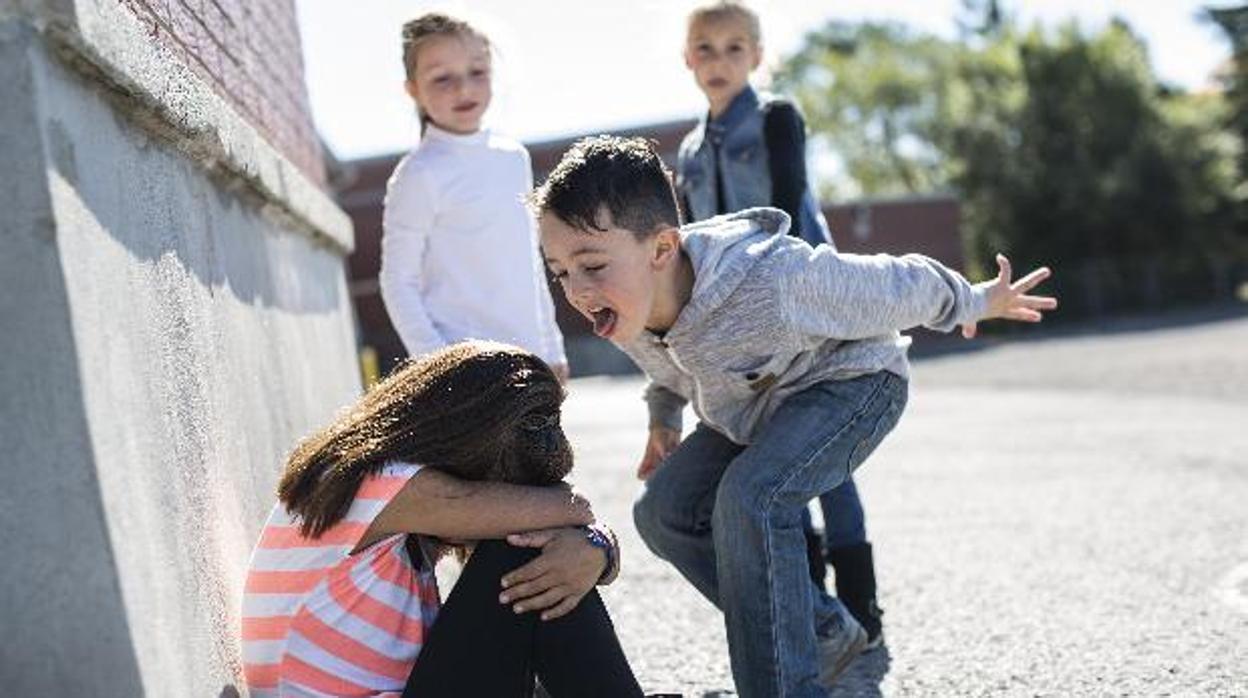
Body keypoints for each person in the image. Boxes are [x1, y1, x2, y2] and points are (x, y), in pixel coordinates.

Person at [532, 136, 1056, 697]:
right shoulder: (625, 304)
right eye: (560, 271)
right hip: (753, 409)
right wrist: (664, 418)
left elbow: (894, 283)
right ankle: (823, 631)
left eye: (590, 265)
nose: (576, 292)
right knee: (662, 511)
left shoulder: (771, 281)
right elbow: (666, 371)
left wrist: (975, 301)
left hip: (852, 385)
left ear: (662, 249)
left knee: (751, 498)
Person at [240, 341, 643, 697]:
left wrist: (598, 549)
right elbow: (572, 508)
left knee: (537, 559)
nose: (503, 496)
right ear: (471, 438)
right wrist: (593, 540)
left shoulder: (381, 490)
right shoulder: (378, 481)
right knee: (520, 552)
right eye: (505, 483)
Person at [674, 0, 882, 640]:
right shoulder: (686, 151)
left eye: (735, 48)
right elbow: (690, 243)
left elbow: (790, 206)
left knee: (826, 462)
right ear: (688, 59)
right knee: (772, 461)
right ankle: (816, 611)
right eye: (705, 49)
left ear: (758, 57)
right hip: (736, 329)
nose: (720, 61)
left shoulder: (775, 119)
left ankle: (861, 608)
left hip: (805, 309)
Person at [380, 13, 569, 381]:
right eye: (442, 78)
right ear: (413, 90)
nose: (463, 89)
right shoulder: (419, 174)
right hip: (466, 373)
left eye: (477, 72)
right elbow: (397, 281)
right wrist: (439, 366)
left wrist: (552, 348)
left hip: (530, 361)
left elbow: (529, 263)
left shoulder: (514, 158)